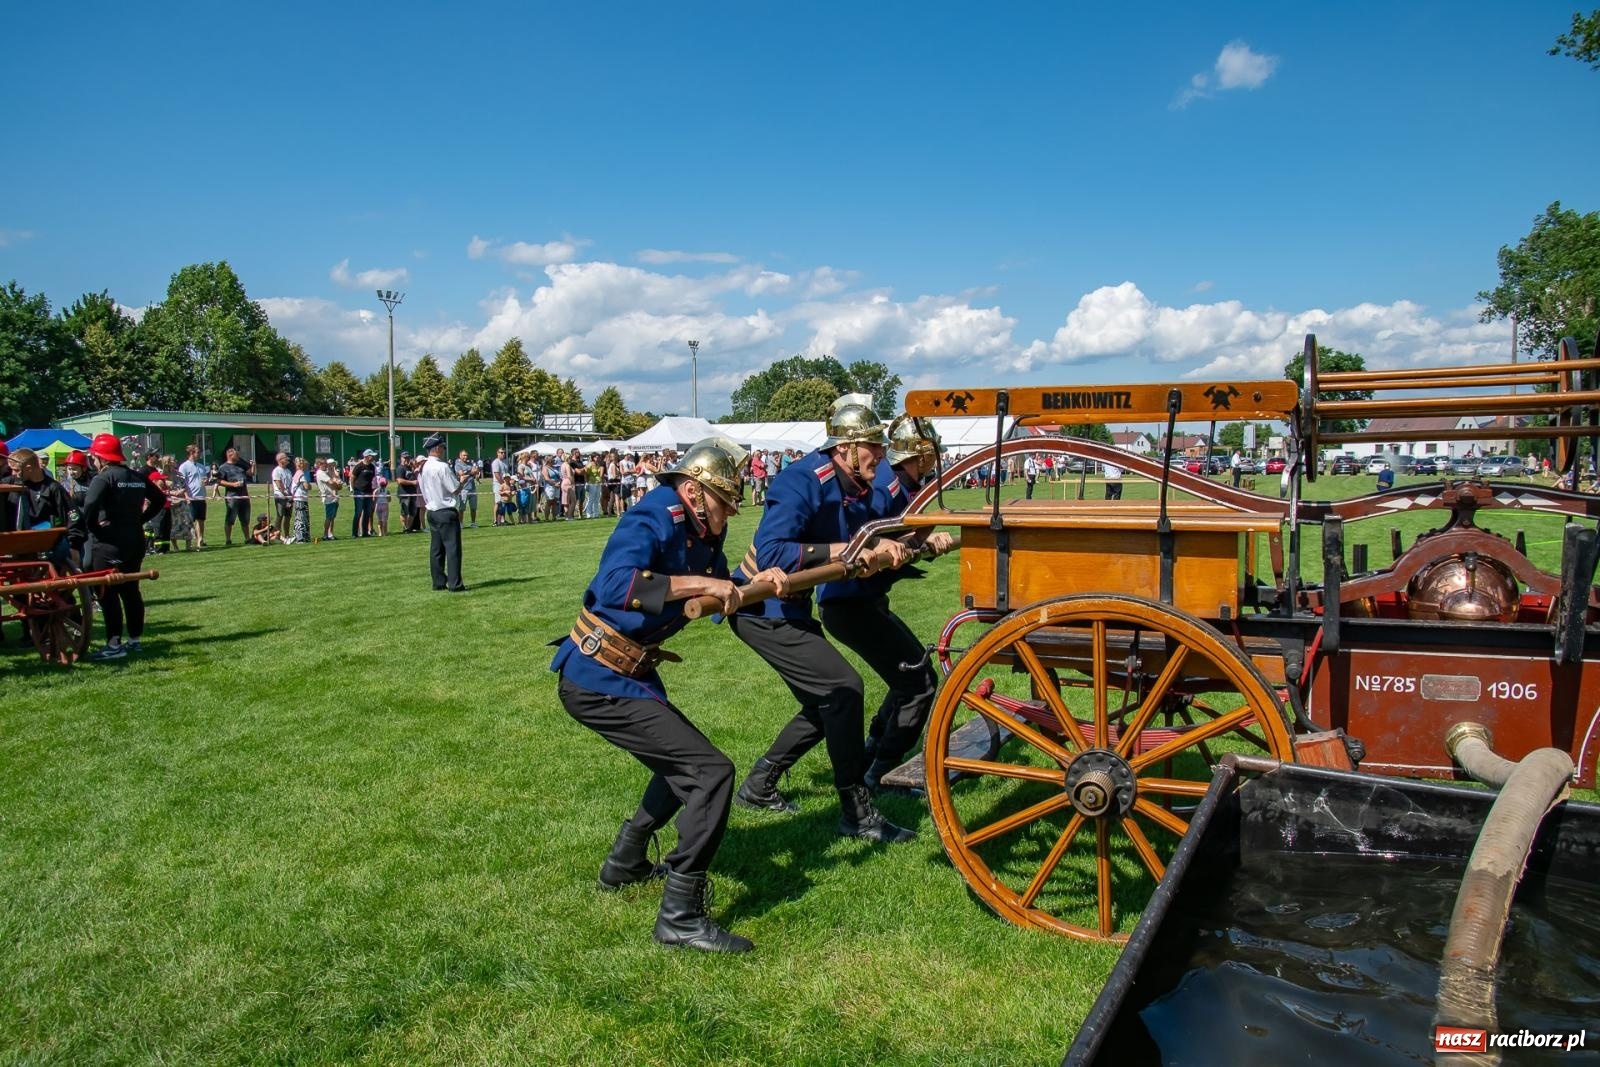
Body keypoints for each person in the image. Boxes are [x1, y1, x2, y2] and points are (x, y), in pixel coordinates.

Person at [551, 437, 790, 953]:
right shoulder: (654, 514)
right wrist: (692, 586)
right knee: (711, 773)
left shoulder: (700, 531)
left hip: (627, 673)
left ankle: (625, 862)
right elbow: (616, 584)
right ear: (693, 491)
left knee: (682, 763)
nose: (729, 513)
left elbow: (718, 584)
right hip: (598, 673)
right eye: (724, 502)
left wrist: (757, 580)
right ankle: (680, 916)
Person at [729, 393, 918, 844]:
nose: (882, 456)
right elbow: (774, 551)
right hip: (760, 608)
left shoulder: (857, 486)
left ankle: (758, 786)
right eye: (873, 447)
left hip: (790, 606)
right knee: (843, 691)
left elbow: (877, 532)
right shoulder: (800, 480)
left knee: (824, 705)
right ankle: (857, 813)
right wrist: (853, 550)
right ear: (845, 448)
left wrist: (904, 543)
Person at [817, 416, 956, 790]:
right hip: (848, 602)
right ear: (921, 455)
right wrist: (916, 541)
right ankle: (883, 769)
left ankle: (874, 753)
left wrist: (923, 542)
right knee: (919, 682)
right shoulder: (886, 486)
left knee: (910, 677)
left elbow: (901, 542)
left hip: (863, 602)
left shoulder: (906, 486)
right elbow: (861, 539)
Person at [81, 434, 165, 659]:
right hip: (134, 540)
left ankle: (113, 644)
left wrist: (93, 529)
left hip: (109, 542)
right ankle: (135, 640)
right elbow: (159, 499)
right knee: (131, 590)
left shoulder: (104, 478)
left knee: (106, 592)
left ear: (99, 457)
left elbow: (89, 505)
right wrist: (140, 519)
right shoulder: (136, 476)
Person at [419, 433, 466, 592]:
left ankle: (438, 582)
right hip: (445, 510)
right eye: (443, 447)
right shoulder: (442, 466)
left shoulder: (424, 466)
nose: (444, 450)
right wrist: (464, 480)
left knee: (436, 549)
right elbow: (454, 489)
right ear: (437, 448)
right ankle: (455, 584)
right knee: (452, 549)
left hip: (432, 510)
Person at [217, 446, 254, 546]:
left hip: (244, 496)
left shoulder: (241, 465)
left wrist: (253, 466)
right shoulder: (223, 467)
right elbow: (219, 481)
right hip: (232, 497)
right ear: (230, 455)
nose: (238, 456)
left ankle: (247, 538)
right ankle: (228, 539)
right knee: (230, 519)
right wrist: (233, 484)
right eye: (236, 455)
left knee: (245, 519)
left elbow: (251, 473)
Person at [177, 443, 211, 548]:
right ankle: (190, 542)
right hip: (191, 498)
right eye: (198, 452)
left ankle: (200, 539)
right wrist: (186, 496)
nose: (200, 454)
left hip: (201, 497)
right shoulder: (184, 466)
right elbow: (182, 483)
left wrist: (206, 481)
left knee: (201, 520)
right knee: (190, 521)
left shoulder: (201, 466)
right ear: (191, 453)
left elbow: (205, 480)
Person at [350, 450, 377, 537]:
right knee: (358, 512)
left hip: (368, 492)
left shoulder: (372, 467)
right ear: (366, 456)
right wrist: (353, 489)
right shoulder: (359, 466)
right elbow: (352, 478)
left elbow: (373, 479)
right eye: (371, 456)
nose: (373, 457)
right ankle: (355, 533)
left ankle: (365, 532)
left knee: (367, 512)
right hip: (359, 491)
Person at [316, 458, 343, 540]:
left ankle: (330, 534)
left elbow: (337, 483)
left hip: (333, 497)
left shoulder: (326, 472)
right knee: (329, 517)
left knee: (332, 517)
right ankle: (325, 535)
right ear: (319, 464)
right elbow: (331, 482)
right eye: (324, 463)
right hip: (328, 498)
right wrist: (338, 484)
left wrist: (338, 484)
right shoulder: (320, 473)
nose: (326, 465)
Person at [270, 452, 294, 541]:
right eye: (285, 458)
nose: (287, 459)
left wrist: (291, 496)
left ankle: (287, 535)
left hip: (289, 497)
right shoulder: (276, 471)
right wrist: (286, 494)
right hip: (280, 497)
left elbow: (291, 484)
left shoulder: (288, 471)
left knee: (288, 516)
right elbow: (279, 485)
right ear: (280, 460)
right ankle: (277, 536)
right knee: (280, 516)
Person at [454, 450, 480, 528]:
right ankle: (461, 523)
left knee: (473, 507)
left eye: (466, 455)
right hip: (463, 489)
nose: (466, 457)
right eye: (464, 455)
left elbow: (476, 471)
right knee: (462, 508)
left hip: (472, 488)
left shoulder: (470, 464)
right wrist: (471, 472)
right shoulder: (458, 465)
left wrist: (476, 475)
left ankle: (473, 523)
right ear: (460, 456)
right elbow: (461, 474)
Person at [396, 453, 421, 533]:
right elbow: (399, 481)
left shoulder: (410, 467)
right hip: (404, 493)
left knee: (413, 512)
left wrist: (414, 467)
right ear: (401, 458)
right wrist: (412, 483)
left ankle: (409, 528)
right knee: (404, 512)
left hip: (412, 493)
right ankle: (405, 527)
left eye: (407, 458)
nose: (406, 459)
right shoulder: (400, 468)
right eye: (405, 458)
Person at [290, 457, 312, 543]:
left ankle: (302, 536)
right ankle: (300, 538)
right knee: (301, 518)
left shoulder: (297, 473)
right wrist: (310, 486)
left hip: (299, 498)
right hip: (300, 498)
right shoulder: (301, 474)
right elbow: (306, 486)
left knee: (300, 517)